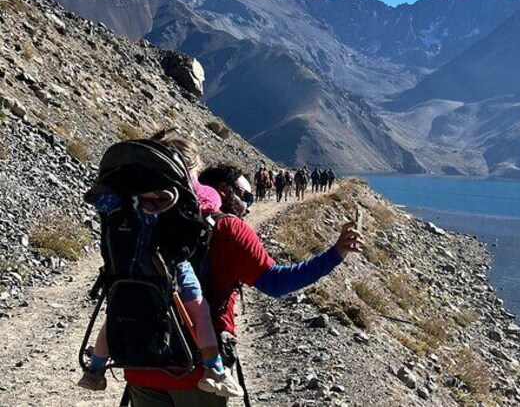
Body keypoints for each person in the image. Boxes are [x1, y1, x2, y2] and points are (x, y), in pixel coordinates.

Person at [123, 163, 362, 406]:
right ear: (225, 191)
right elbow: (276, 283)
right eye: (247, 196)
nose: (249, 206)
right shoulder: (229, 228)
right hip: (197, 370)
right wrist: (335, 254)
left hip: (139, 360)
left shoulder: (144, 220)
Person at [79, 133, 244, 398]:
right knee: (199, 309)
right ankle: (214, 370)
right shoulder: (171, 193)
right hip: (167, 263)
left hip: (126, 264)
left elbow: (95, 197)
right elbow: (208, 202)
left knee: (116, 312)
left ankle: (95, 369)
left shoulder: (120, 196)